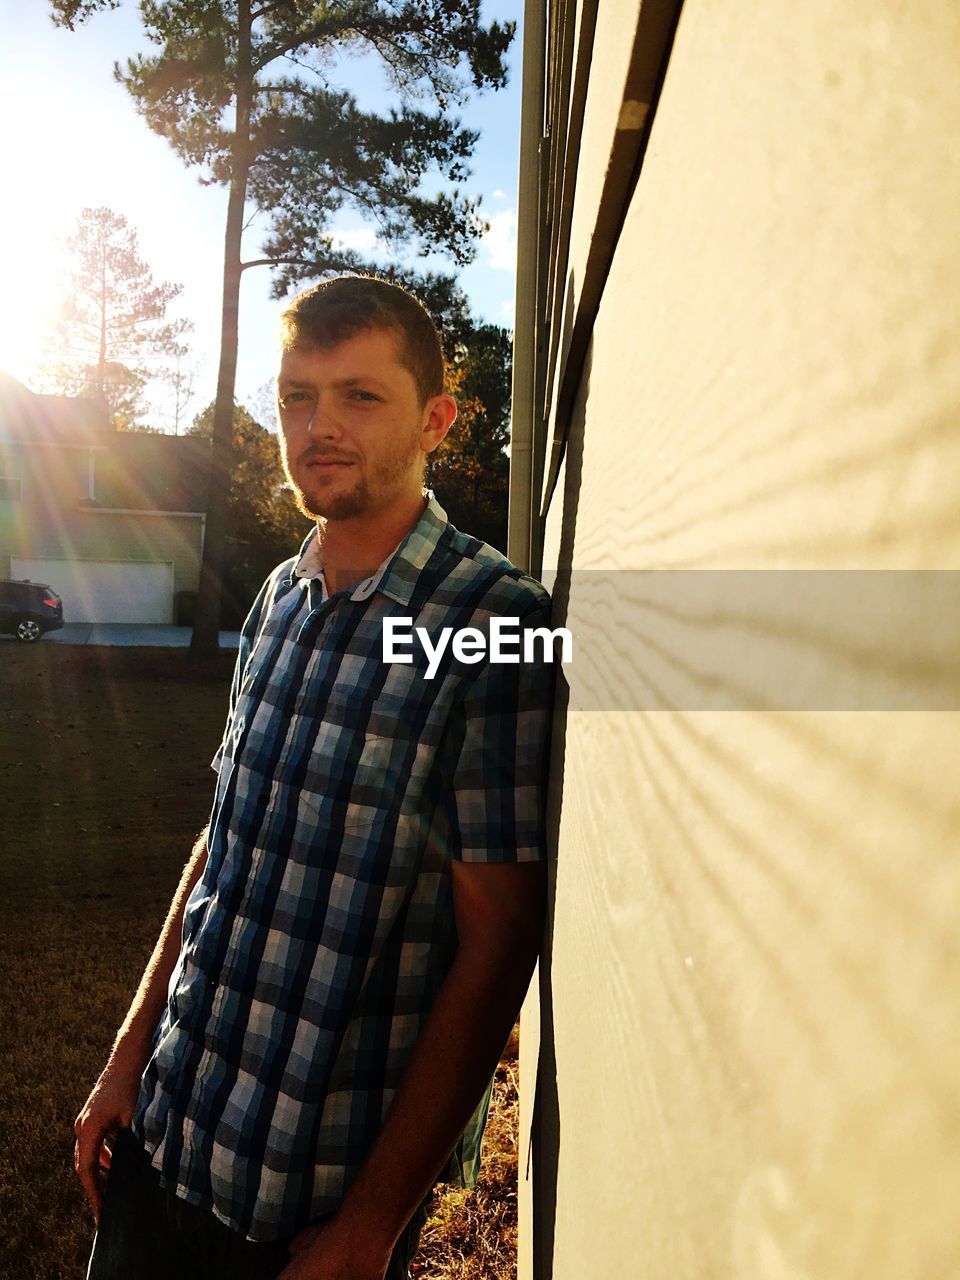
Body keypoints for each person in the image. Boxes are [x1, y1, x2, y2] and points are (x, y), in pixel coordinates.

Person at [74, 275, 556, 1280]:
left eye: (359, 396)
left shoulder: (490, 622)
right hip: (160, 1144)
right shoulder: (279, 598)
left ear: (437, 418)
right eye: (298, 395)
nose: (319, 425)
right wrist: (125, 1060)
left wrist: (371, 1223)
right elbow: (221, 841)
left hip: (302, 1218)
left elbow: (499, 942)